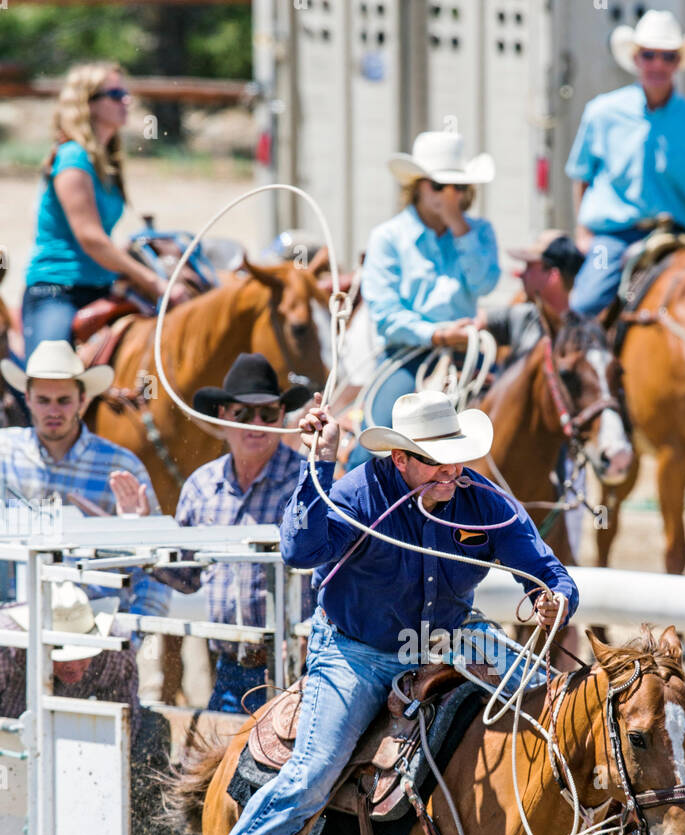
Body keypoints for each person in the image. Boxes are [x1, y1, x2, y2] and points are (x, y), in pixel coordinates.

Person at [185, 389, 579, 835]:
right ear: (401, 459)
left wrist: (554, 600)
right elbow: (299, 550)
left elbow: (548, 572)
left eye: (456, 457)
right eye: (436, 459)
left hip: (451, 635)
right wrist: (317, 464)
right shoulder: (356, 493)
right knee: (312, 775)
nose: (451, 471)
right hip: (355, 651)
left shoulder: (482, 500)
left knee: (557, 709)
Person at [152, 354, 313, 714]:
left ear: (281, 417)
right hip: (230, 668)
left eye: (268, 414)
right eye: (242, 413)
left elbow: (336, 571)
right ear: (223, 416)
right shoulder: (202, 486)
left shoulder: (308, 482)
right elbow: (186, 577)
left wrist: (310, 634)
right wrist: (143, 533)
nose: (256, 425)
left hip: (300, 669)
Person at [566, 8, 685, 319]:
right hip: (613, 237)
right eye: (649, 55)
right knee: (584, 305)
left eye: (668, 56)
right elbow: (581, 175)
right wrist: (583, 234)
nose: (658, 64)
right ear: (635, 59)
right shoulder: (601, 113)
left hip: (679, 237)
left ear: (678, 62)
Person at [22, 61, 189, 361]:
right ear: (88, 104)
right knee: (49, 372)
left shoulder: (103, 161)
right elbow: (92, 240)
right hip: (57, 290)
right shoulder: (72, 157)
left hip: (100, 285)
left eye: (125, 93)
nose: (126, 100)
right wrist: (154, 282)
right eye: (115, 94)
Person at [350, 130, 500, 464]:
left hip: (471, 351)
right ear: (418, 186)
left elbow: (485, 283)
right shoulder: (388, 237)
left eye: (458, 188)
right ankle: (357, 504)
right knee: (375, 440)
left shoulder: (480, 231)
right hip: (409, 352)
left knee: (526, 414)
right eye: (438, 185)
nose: (449, 196)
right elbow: (386, 313)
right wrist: (439, 334)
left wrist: (458, 226)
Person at [0, 340, 170, 630]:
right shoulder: (4, 453)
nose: (53, 411)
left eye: (63, 400)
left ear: (82, 400)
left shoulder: (120, 465)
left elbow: (155, 563)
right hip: (15, 623)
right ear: (27, 399)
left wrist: (138, 629)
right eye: (43, 400)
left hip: (98, 624)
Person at [0, 582, 142, 742]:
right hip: (6, 743)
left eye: (83, 655)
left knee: (151, 728)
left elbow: (126, 715)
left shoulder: (114, 649)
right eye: (62, 656)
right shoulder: (6, 649)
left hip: (65, 740)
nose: (73, 666)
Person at [478, 231, 585, 363]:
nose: (522, 274)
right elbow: (478, 320)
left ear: (553, 275)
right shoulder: (522, 314)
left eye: (529, 267)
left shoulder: (581, 335)